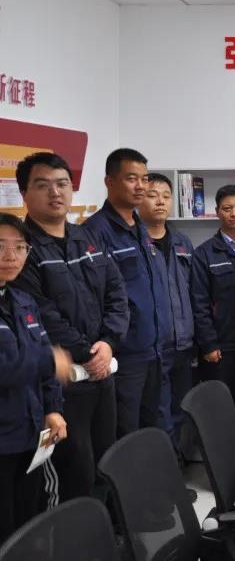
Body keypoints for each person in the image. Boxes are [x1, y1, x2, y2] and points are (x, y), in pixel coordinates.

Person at [12, 152, 127, 503]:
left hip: (102, 371)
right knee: (75, 468)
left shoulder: (87, 237)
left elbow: (116, 292)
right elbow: (42, 314)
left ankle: (108, 526)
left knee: (108, 459)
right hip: (63, 383)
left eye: (62, 184)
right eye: (43, 185)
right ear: (24, 193)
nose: (55, 192)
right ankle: (76, 532)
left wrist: (108, 343)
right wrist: (88, 352)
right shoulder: (22, 249)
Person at [83, 148, 173, 438]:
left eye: (144, 179)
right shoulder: (95, 231)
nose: (140, 186)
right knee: (127, 432)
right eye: (131, 178)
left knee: (155, 427)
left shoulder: (140, 227)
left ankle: (157, 472)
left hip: (155, 349)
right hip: (126, 353)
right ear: (109, 181)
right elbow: (97, 297)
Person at [0, 213, 70, 545]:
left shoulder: (22, 301)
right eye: (0, 246)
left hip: (30, 433)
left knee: (30, 520)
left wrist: (53, 408)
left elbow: (45, 359)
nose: (10, 256)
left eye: (19, 247)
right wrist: (49, 360)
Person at [140, 173, 209, 453]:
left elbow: (195, 293)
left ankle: (177, 466)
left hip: (183, 343)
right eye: (152, 195)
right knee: (158, 416)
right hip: (152, 347)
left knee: (180, 410)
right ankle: (163, 472)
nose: (160, 202)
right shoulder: (134, 242)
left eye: (166, 196)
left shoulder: (182, 242)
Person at [191, 184, 235, 450]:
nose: (234, 214)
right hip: (222, 347)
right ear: (217, 211)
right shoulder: (204, 253)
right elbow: (198, 302)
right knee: (221, 407)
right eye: (227, 208)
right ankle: (224, 463)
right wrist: (208, 343)